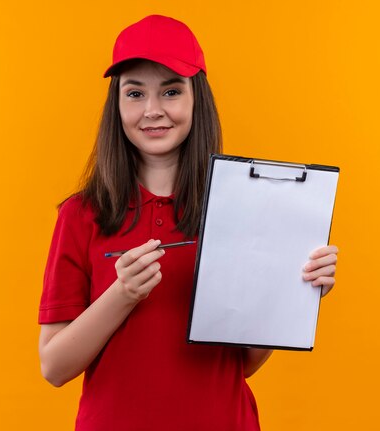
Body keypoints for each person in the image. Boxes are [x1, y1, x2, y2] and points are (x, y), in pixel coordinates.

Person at [38, 15, 339, 431]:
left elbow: (243, 364)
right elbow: (54, 367)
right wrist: (122, 294)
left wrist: (293, 292)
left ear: (197, 99)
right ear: (117, 104)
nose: (153, 110)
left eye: (171, 91)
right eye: (135, 93)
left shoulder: (244, 208)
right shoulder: (81, 215)